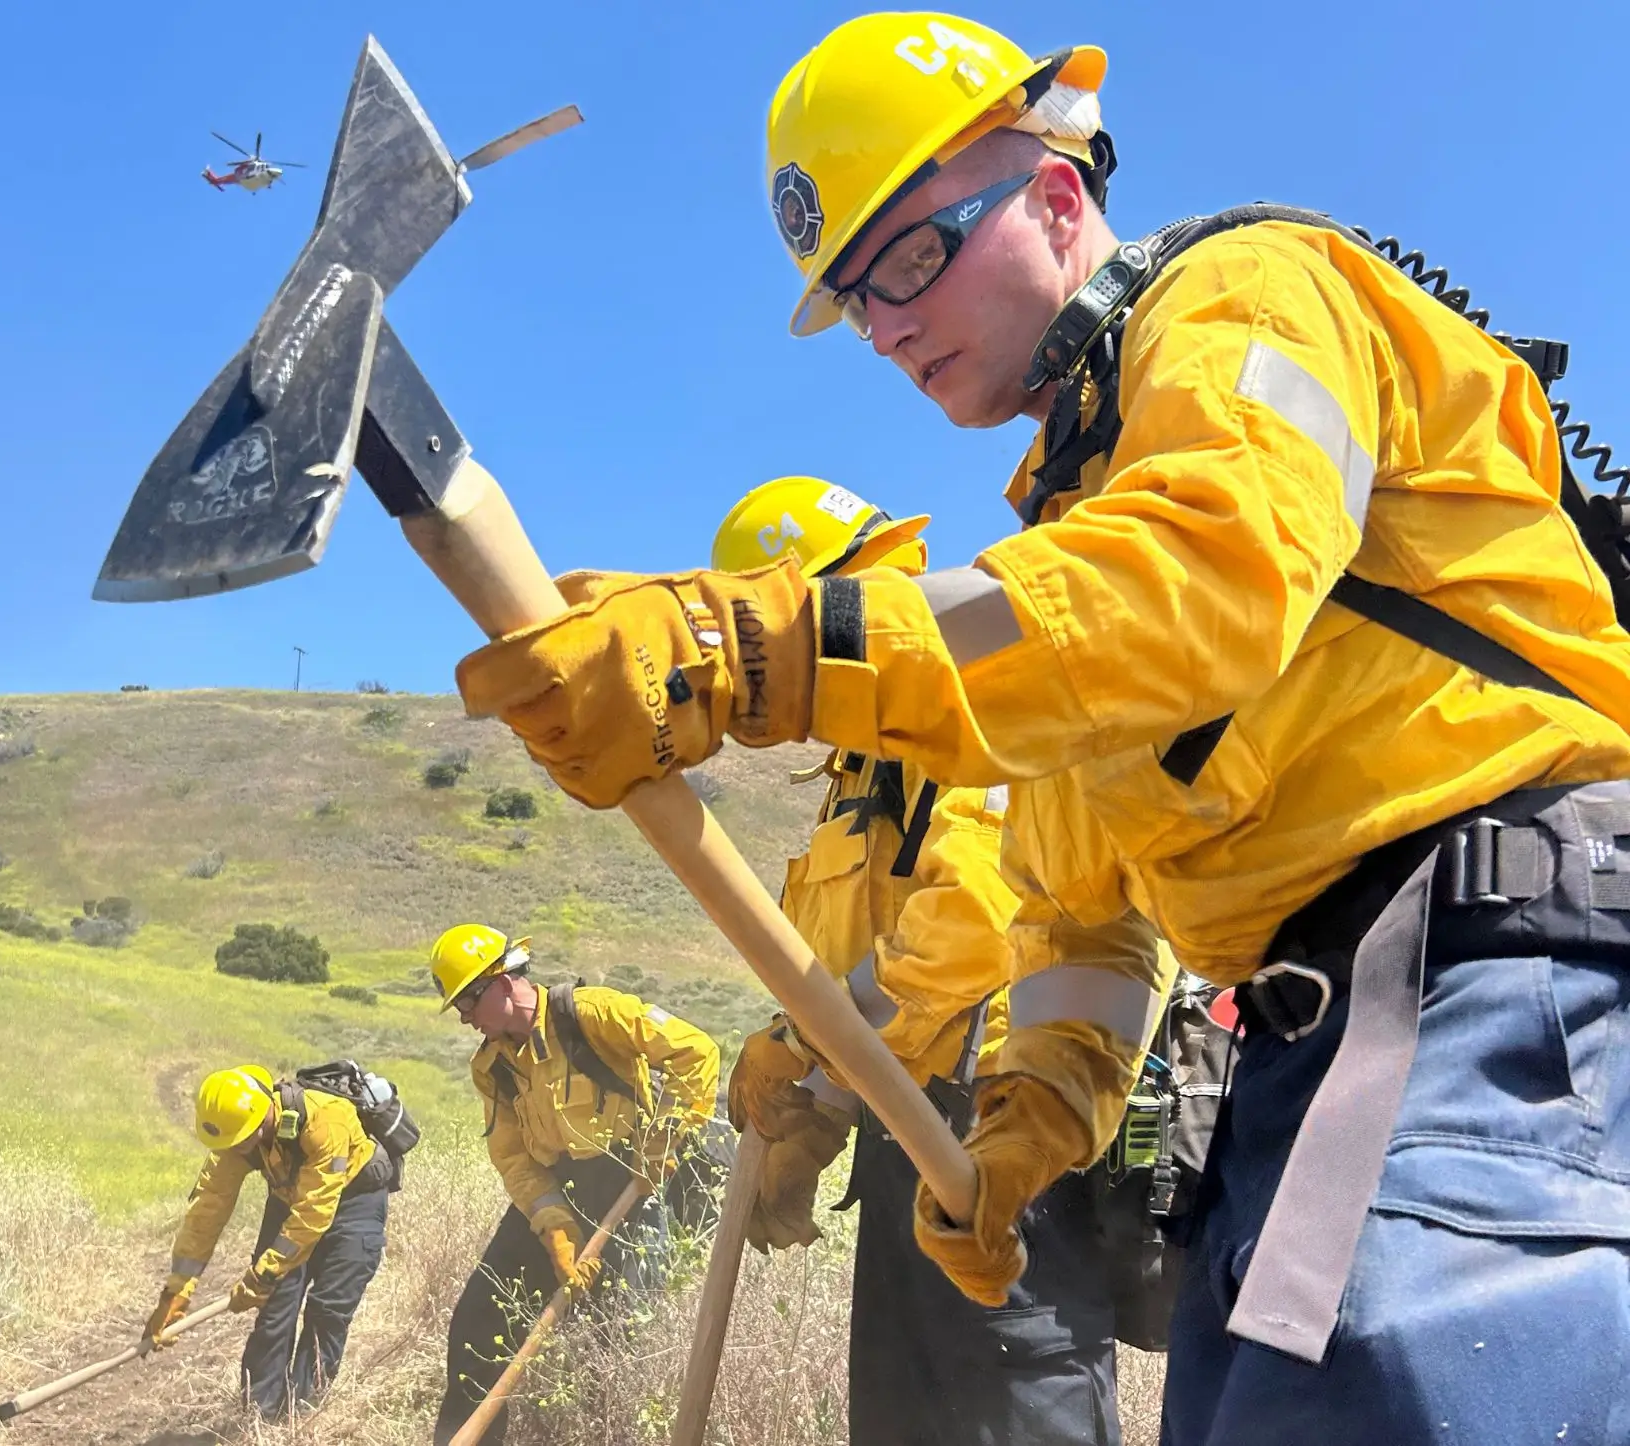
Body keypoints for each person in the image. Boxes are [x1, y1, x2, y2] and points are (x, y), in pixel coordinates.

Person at [451, 13, 1630, 1445]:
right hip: (1312, 1043)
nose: (883, 324)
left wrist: (755, 646)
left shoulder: (1251, 295)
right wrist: (1030, 1118)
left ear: (1058, 198)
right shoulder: (1069, 533)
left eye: (905, 257)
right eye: (852, 298)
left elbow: (1211, 573)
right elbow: (1081, 914)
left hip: (1503, 986)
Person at [715, 475, 1141, 1445]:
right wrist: (815, 1116)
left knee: (1018, 1418)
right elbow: (866, 969)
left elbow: (977, 918)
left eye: (770, 652)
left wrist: (806, 1041)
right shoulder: (860, 763)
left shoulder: (975, 689)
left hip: (1003, 1139)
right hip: (908, 1142)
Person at [428, 923, 720, 1446]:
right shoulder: (492, 1066)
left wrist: (664, 1142)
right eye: (460, 1008)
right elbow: (513, 1157)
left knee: (617, 1340)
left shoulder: (592, 1014)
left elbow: (695, 1053)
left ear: (502, 980)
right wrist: (553, 1225)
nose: (466, 1018)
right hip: (556, 1189)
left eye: (469, 1001)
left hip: (629, 1185)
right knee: (475, 1322)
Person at [143, 1064, 391, 1420]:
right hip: (290, 1197)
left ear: (263, 1114)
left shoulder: (326, 1120)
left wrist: (264, 1274)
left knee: (327, 1312)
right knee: (275, 1309)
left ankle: (300, 1422)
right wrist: (177, 1291)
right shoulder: (234, 1137)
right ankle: (257, 1419)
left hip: (354, 1205)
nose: (238, 1149)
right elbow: (207, 1211)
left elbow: (314, 1212)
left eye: (242, 1139)